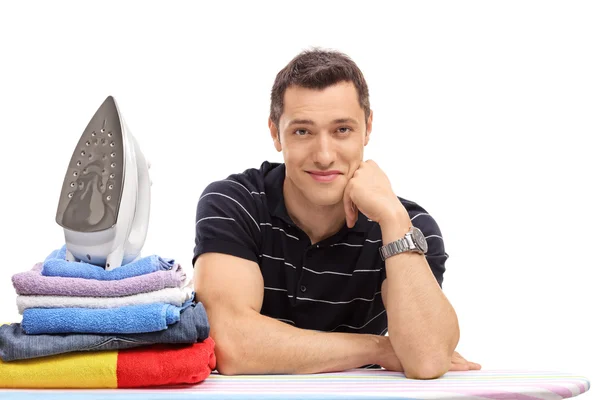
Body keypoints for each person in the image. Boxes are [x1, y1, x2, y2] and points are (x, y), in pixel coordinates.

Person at [192, 48, 481, 379]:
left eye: (342, 129)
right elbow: (231, 346)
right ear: (275, 133)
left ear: (367, 128)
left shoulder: (408, 226)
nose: (325, 155)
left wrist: (394, 220)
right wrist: (378, 348)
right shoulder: (234, 203)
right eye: (303, 131)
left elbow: (427, 359)